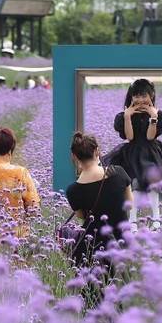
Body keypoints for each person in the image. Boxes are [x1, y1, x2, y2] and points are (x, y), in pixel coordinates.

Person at [65, 131, 133, 312]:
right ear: (98, 151)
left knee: (94, 300)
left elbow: (81, 217)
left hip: (91, 249)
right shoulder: (118, 173)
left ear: (74, 156)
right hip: (120, 244)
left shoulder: (73, 190)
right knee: (120, 296)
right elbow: (129, 204)